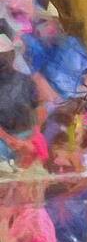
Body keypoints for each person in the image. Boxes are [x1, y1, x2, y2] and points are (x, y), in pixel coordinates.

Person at [0, 33, 46, 171]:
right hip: (6, 139)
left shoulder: (26, 80)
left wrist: (34, 135)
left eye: (4, 56)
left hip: (27, 134)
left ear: (12, 55)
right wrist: (10, 140)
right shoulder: (25, 79)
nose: (2, 60)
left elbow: (39, 107)